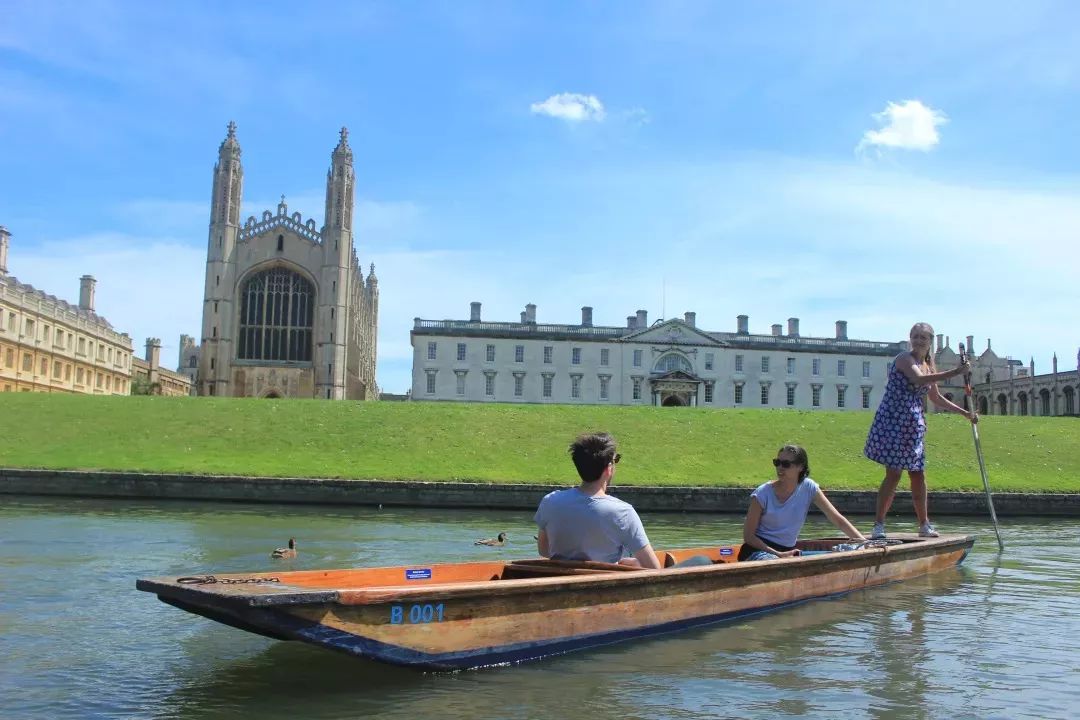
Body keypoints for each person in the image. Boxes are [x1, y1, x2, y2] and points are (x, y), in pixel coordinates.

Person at [864, 322, 978, 539]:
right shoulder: (904, 359)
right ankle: (878, 525)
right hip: (893, 421)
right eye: (915, 337)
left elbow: (935, 397)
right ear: (910, 339)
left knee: (918, 474)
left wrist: (964, 413)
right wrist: (956, 371)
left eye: (923, 338)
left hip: (913, 425)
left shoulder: (929, 365)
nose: (918, 341)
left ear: (930, 341)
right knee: (894, 473)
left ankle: (924, 524)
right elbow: (918, 379)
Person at [535, 432, 663, 569]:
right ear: (608, 469)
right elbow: (654, 568)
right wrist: (636, 565)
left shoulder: (550, 501)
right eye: (616, 460)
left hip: (559, 583)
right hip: (603, 587)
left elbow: (544, 550)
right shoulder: (623, 512)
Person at [738, 444, 866, 561]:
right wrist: (778, 554)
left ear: (800, 467)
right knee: (777, 562)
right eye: (777, 463)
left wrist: (864, 543)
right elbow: (748, 536)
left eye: (786, 464)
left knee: (837, 555)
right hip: (757, 552)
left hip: (788, 552)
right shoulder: (762, 494)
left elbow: (838, 520)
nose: (780, 468)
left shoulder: (809, 487)